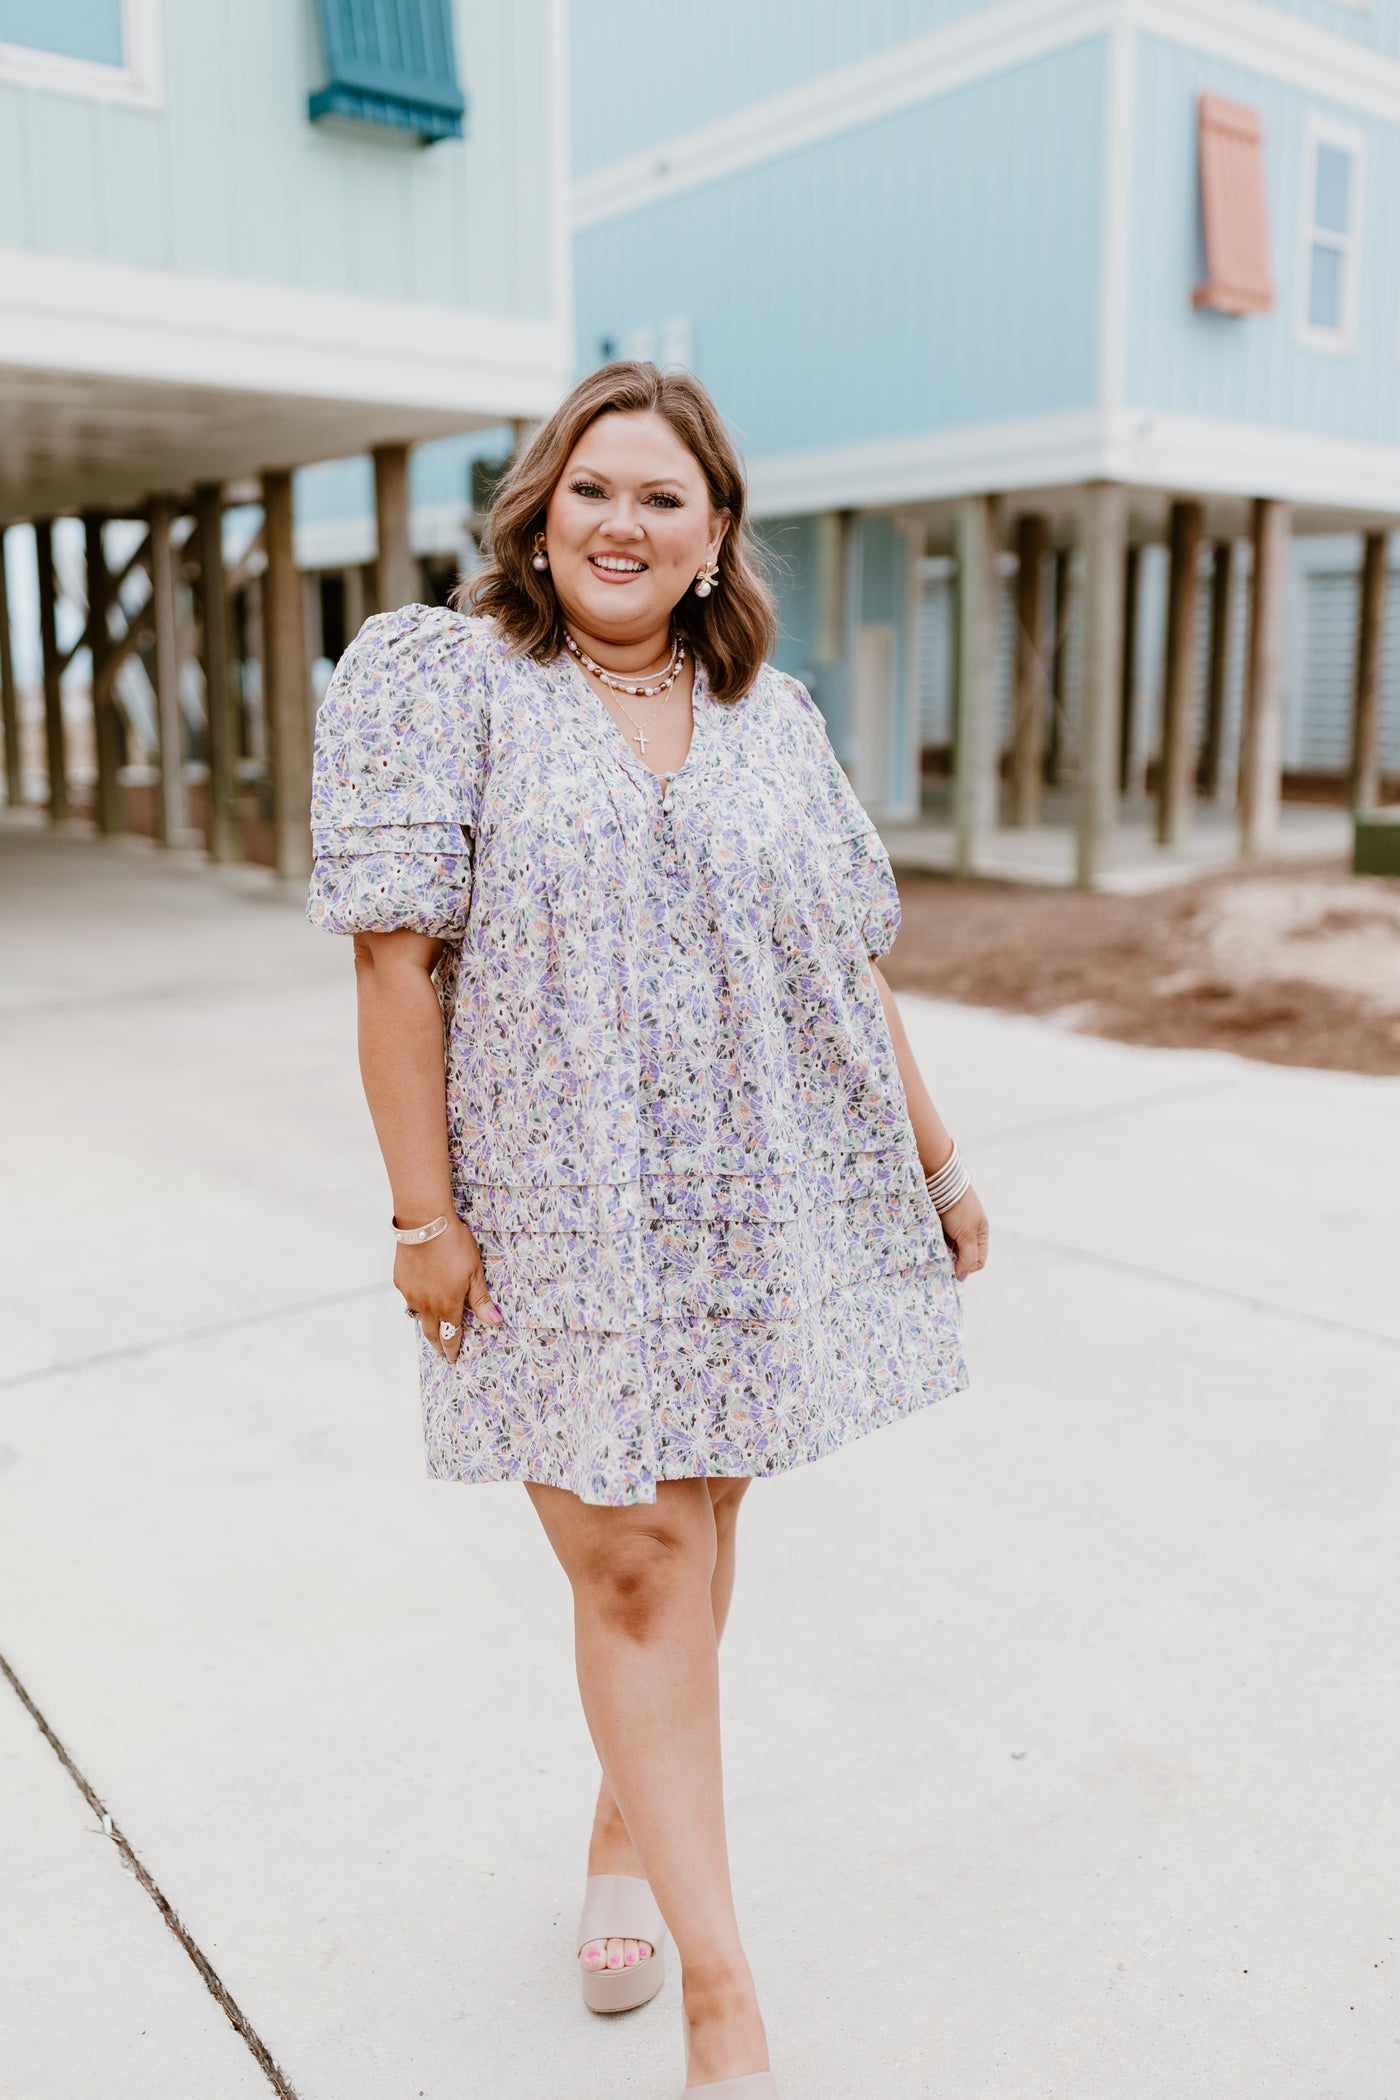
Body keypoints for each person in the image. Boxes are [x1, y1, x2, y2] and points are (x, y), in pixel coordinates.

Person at [307, 362, 987, 2098]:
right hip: (551, 1212)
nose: (621, 520)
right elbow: (393, 962)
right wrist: (420, 1215)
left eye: (660, 497)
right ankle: (724, 1998)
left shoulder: (779, 720)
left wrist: (938, 1166)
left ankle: (628, 1822)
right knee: (633, 1555)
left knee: (702, 1522)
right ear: (540, 510)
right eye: (591, 488)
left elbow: (849, 966)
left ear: (713, 537)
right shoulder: (445, 681)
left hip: (759, 1194)